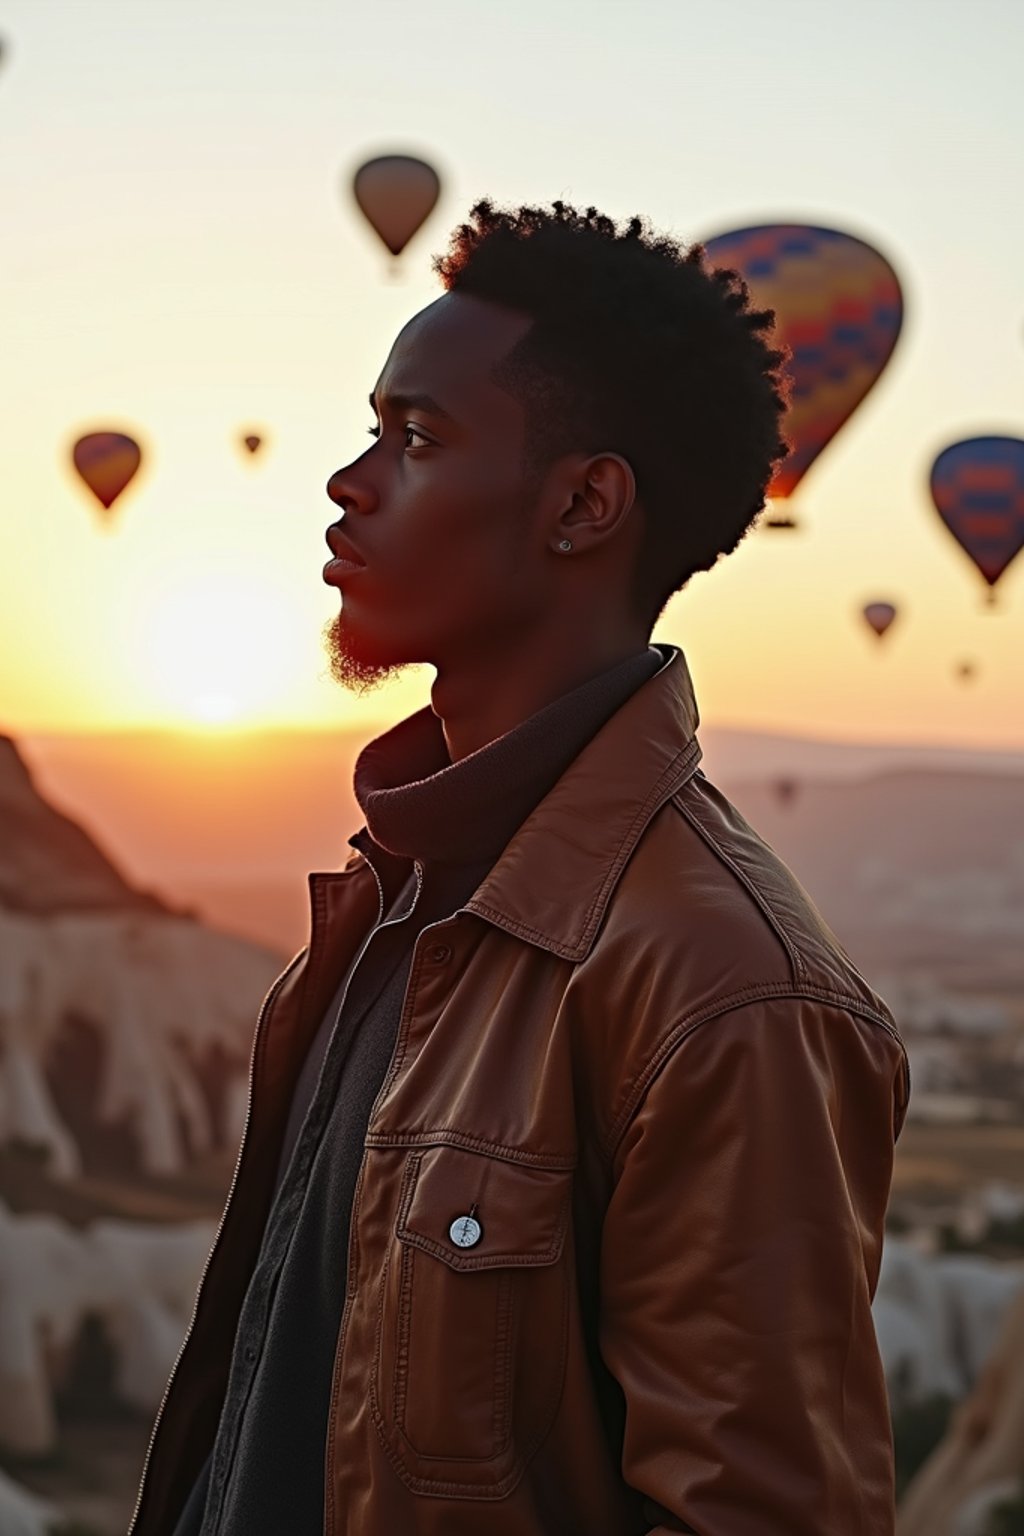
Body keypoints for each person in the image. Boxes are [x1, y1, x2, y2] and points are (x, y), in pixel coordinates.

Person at [129, 198, 910, 1536]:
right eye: (372, 429)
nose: (348, 481)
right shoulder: (403, 890)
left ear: (583, 504)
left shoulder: (725, 989)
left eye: (416, 438)